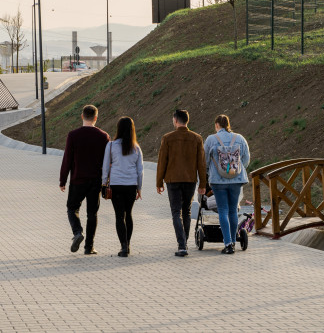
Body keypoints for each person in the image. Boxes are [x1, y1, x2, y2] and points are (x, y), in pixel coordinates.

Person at [60, 104, 110, 255]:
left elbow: (67, 160)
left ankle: (77, 232)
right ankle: (89, 247)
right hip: (95, 181)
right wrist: (107, 181)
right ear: (96, 118)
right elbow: (107, 161)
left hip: (77, 179)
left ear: (82, 116)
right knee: (92, 214)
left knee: (72, 208)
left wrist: (63, 180)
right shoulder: (103, 136)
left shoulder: (73, 135)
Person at [156, 109, 207, 257]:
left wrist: (159, 182)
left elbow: (162, 162)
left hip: (172, 180)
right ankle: (184, 243)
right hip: (190, 180)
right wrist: (202, 184)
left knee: (176, 212)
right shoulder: (197, 138)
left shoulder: (167, 138)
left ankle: (182, 245)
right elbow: (201, 164)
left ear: (175, 120)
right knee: (187, 211)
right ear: (187, 121)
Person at [204, 114, 250, 254]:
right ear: (228, 124)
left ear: (217, 125)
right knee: (233, 210)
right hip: (236, 180)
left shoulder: (211, 139)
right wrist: (236, 171)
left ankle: (228, 244)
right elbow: (246, 159)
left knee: (223, 210)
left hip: (218, 181)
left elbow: (205, 161)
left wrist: (210, 172)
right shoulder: (240, 138)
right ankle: (234, 242)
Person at [102, 117, 144, 257]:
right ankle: (128, 244)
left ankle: (124, 246)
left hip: (116, 185)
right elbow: (140, 170)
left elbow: (105, 167)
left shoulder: (111, 145)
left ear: (118, 129)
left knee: (120, 216)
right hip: (131, 185)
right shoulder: (136, 148)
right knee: (129, 214)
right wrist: (139, 188)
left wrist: (103, 183)